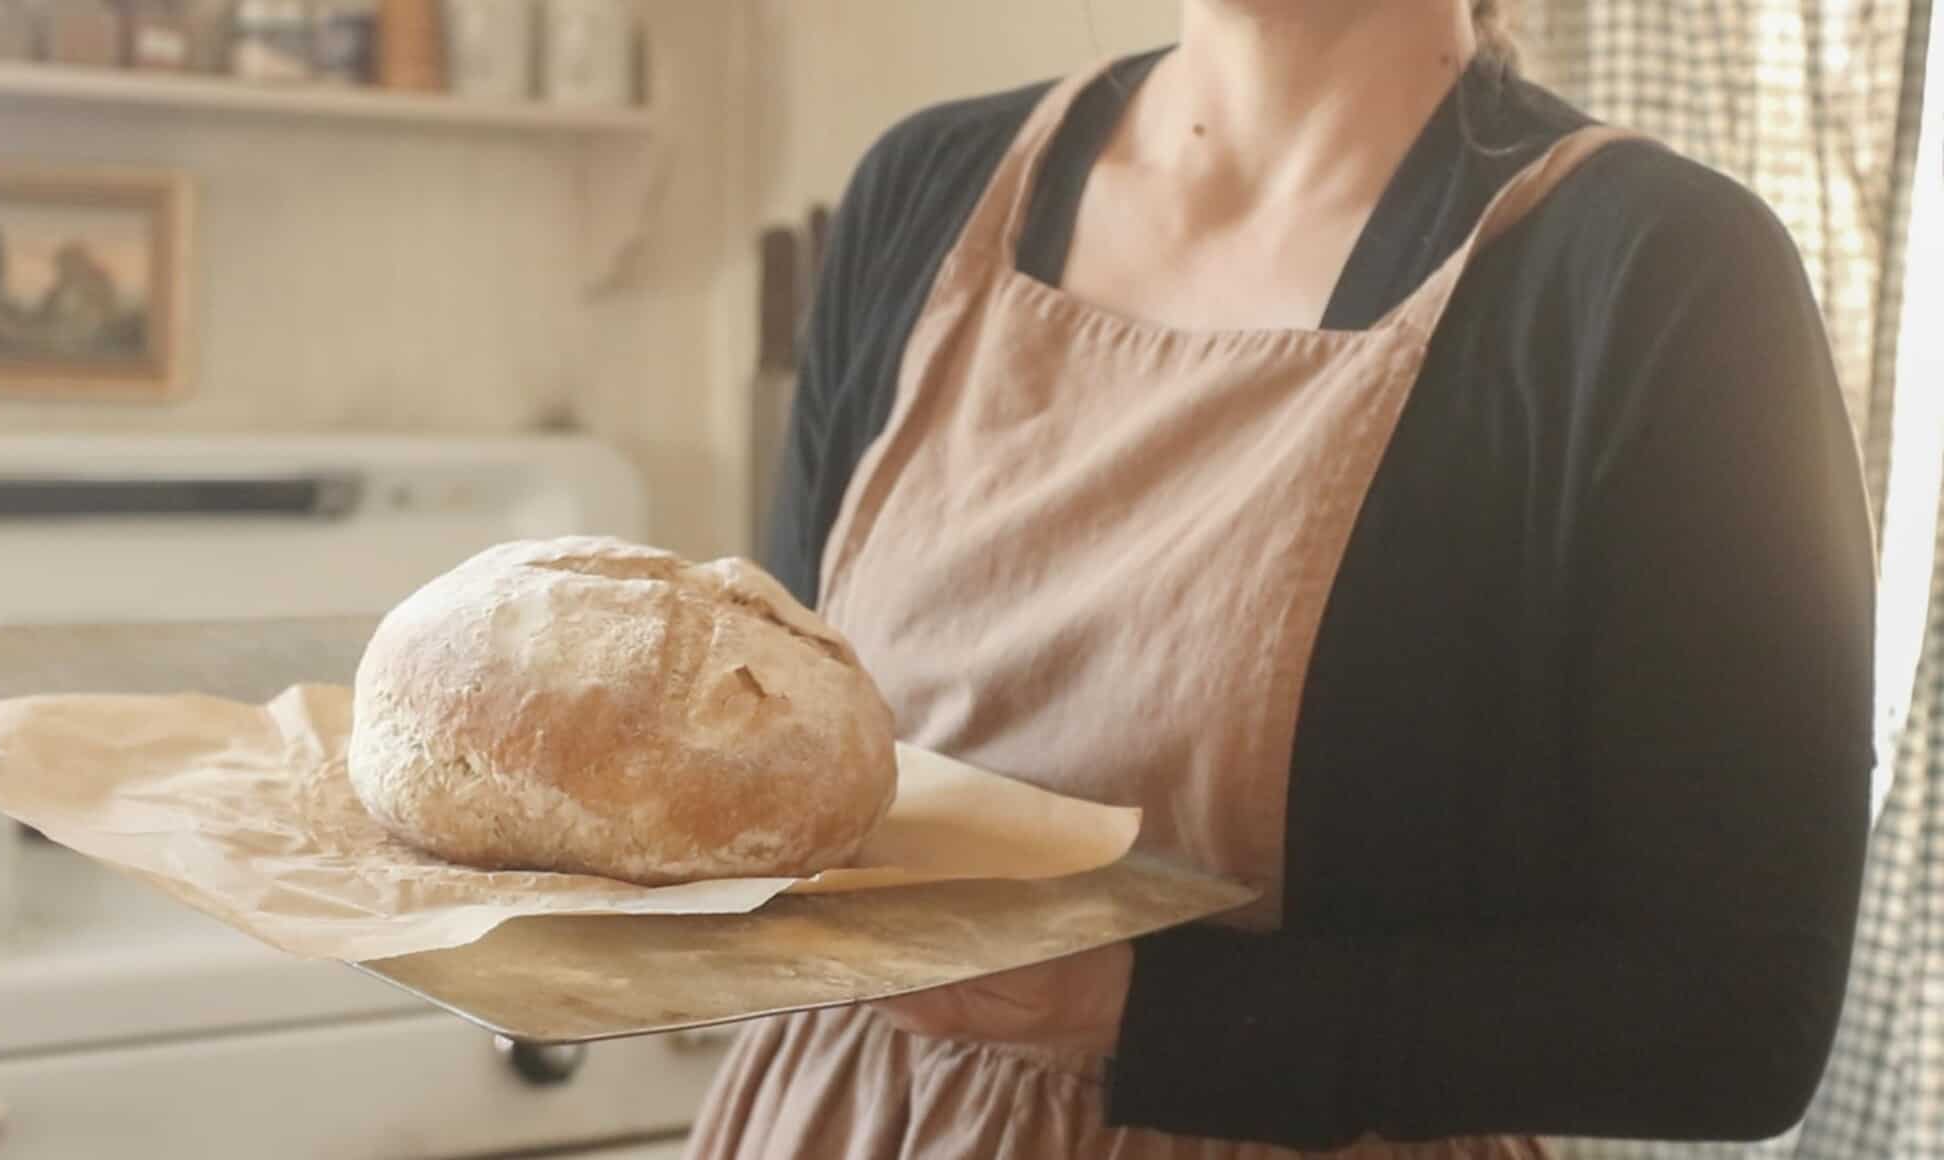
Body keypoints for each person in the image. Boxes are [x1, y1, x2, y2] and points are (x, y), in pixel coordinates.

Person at [691, 1, 1877, 1156]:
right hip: (826, 1113)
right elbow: (790, 758)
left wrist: (1135, 1005)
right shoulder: (925, 186)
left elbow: (1738, 1020)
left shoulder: (1657, 273)